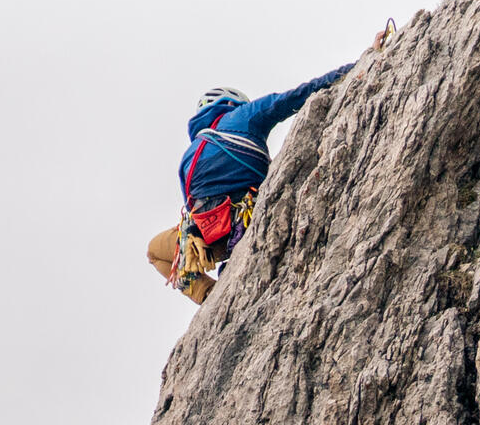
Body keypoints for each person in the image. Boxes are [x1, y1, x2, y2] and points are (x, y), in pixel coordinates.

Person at [146, 53, 365, 302]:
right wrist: (358, 64)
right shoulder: (245, 115)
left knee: (155, 251)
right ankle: (228, 268)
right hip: (248, 214)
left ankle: (208, 293)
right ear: (232, 104)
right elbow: (296, 96)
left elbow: (191, 206)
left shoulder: (188, 157)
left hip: (207, 232)